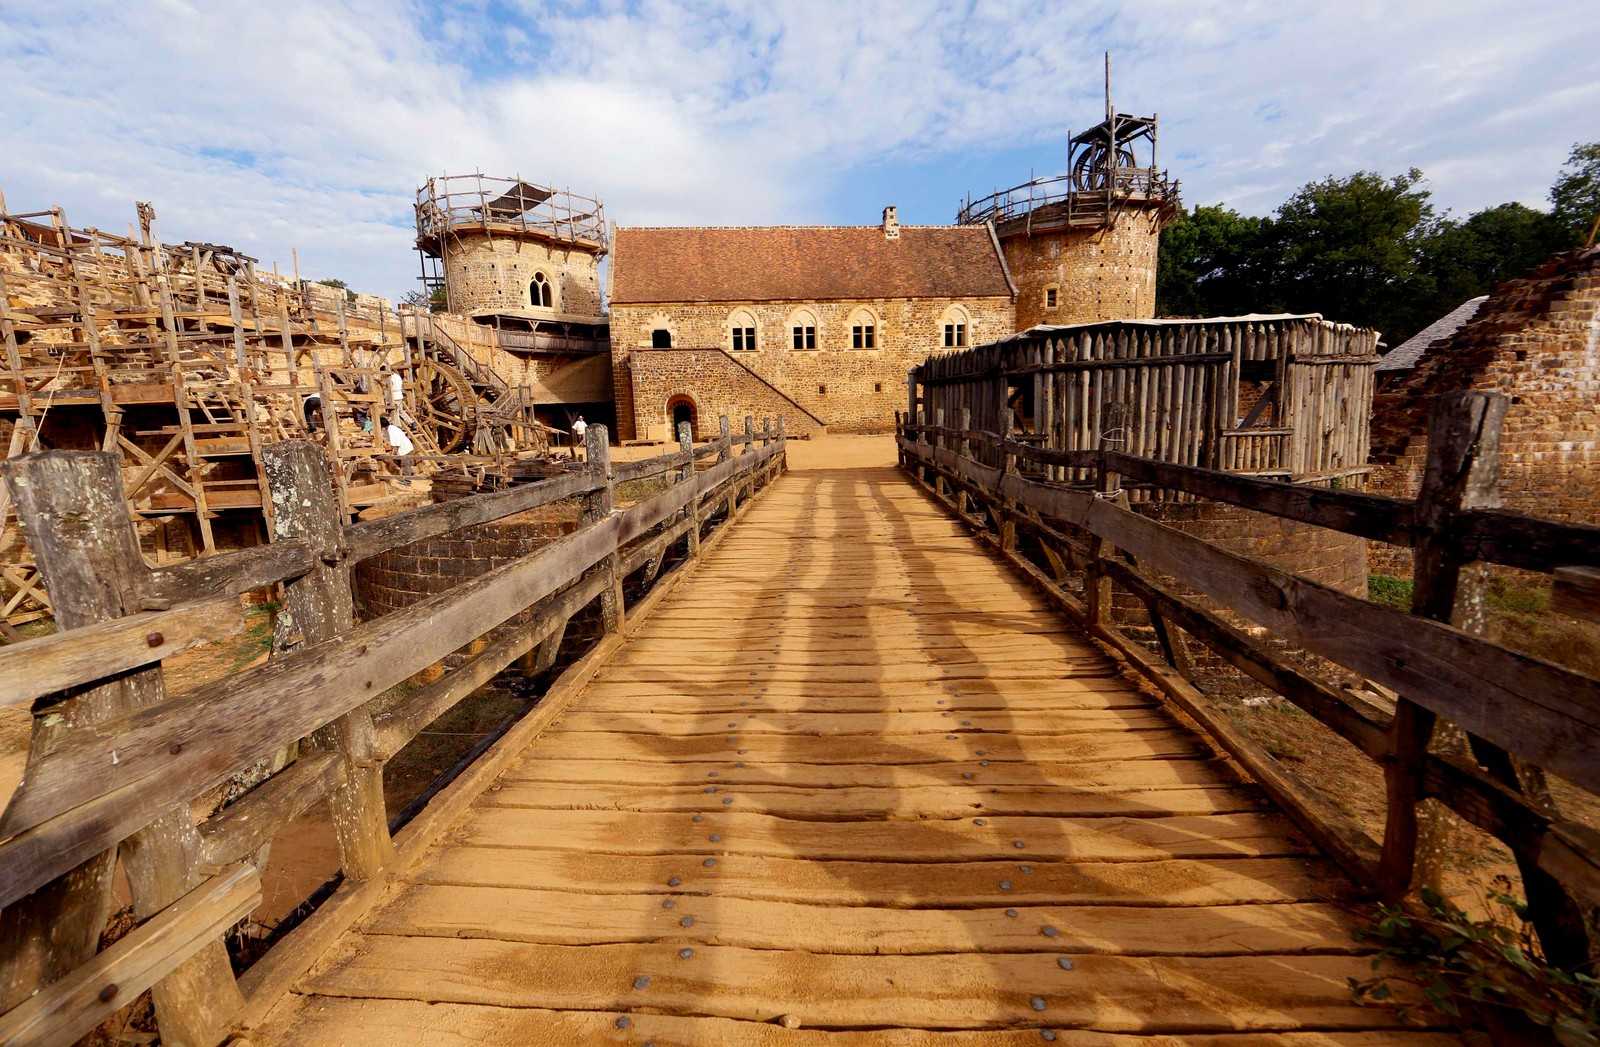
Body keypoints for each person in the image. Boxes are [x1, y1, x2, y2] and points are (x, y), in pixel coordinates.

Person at [383, 416, 414, 483]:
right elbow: (383, 436)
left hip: (403, 447)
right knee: (399, 461)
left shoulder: (392, 430)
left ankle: (407, 481)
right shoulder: (388, 429)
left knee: (405, 464)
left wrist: (391, 455)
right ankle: (411, 472)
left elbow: (396, 444)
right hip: (402, 447)